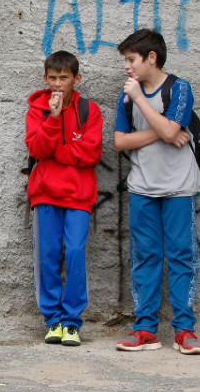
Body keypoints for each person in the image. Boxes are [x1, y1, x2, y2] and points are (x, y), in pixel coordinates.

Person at [112, 29, 200, 354]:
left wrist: (145, 106)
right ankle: (146, 330)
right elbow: (121, 141)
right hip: (142, 187)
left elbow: (170, 129)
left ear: (151, 58)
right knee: (146, 257)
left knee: (181, 257)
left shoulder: (179, 88)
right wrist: (162, 131)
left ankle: (185, 330)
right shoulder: (126, 95)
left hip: (179, 188)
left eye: (131, 59)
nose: (127, 67)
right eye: (125, 60)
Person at [25, 51, 103, 346]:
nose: (58, 84)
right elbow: (37, 149)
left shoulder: (89, 110)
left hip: (79, 196)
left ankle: (72, 321)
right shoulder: (37, 109)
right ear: (45, 79)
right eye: (53, 78)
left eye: (64, 78)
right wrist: (54, 118)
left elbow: (92, 153)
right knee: (48, 256)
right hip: (45, 193)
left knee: (74, 253)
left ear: (76, 79)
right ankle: (53, 319)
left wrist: (57, 151)